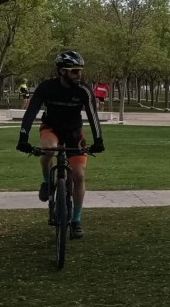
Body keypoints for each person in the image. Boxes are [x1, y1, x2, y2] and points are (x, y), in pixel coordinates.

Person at [16, 50, 105, 239]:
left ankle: (76, 220)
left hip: (74, 132)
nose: (78, 74)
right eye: (74, 71)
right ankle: (47, 182)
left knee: (79, 175)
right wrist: (23, 138)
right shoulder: (46, 88)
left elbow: (93, 116)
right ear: (61, 71)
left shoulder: (84, 90)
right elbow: (31, 112)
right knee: (48, 150)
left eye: (80, 70)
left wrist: (99, 141)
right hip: (51, 128)